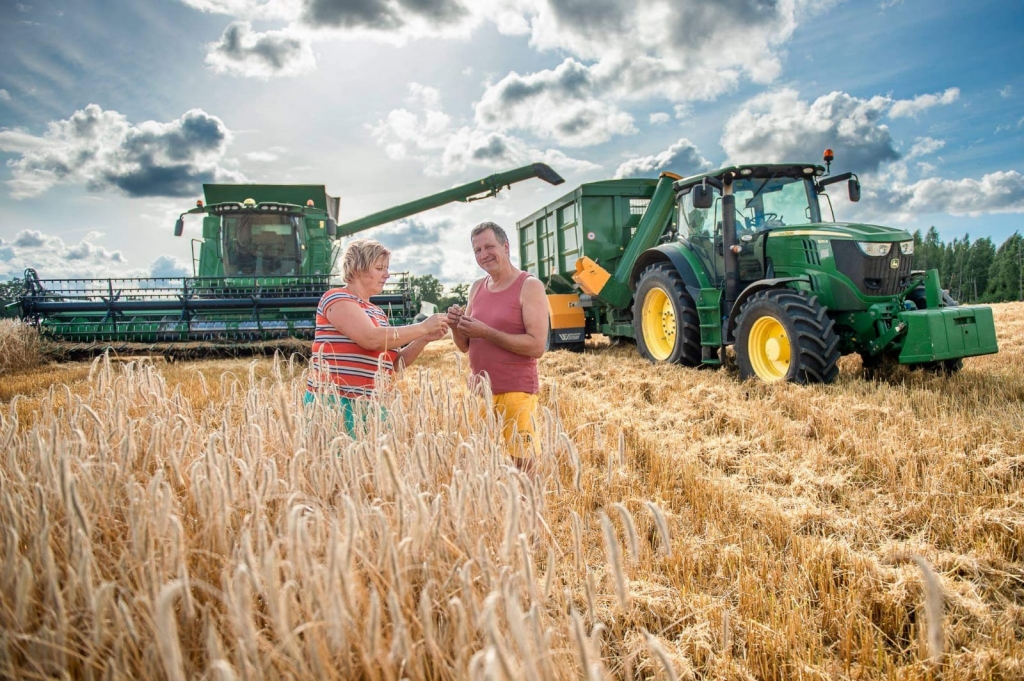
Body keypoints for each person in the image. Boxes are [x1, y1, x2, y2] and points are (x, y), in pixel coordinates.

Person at [305, 239, 448, 433]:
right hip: (335, 404)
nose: (387, 275)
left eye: (387, 268)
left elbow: (397, 363)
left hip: (373, 407)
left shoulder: (378, 313)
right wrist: (423, 327)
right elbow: (371, 339)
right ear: (357, 268)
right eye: (380, 268)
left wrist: (424, 338)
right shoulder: (336, 297)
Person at [447, 222, 549, 473]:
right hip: (480, 392)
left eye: (489, 246)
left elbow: (536, 346)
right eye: (477, 250)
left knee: (523, 466)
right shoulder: (476, 288)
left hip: (517, 392)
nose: (483, 255)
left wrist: (487, 333)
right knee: (482, 464)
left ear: (506, 247)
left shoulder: (529, 285)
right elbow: (464, 346)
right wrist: (455, 325)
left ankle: (529, 511)